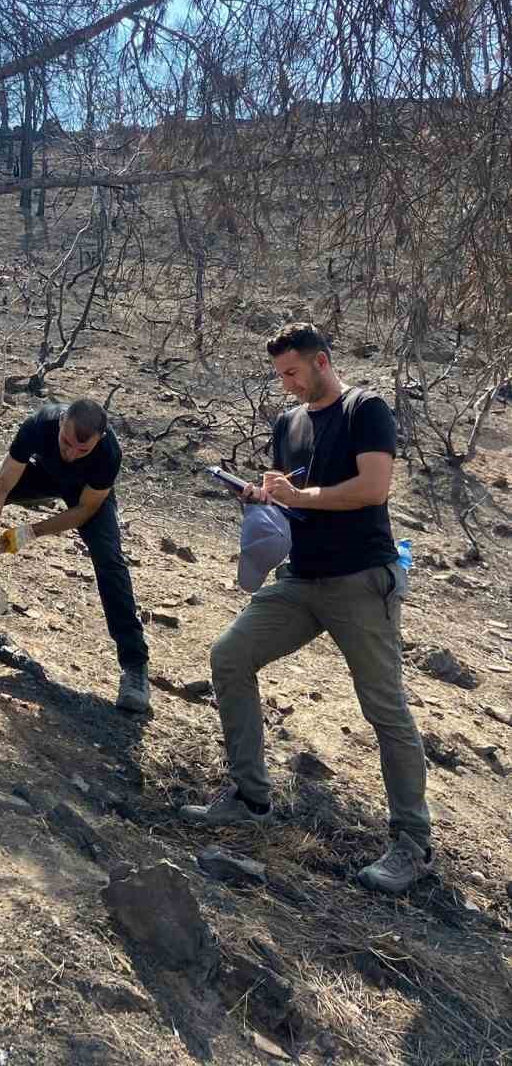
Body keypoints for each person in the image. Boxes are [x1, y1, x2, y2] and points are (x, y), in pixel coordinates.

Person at [183, 323, 431, 894]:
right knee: (230, 655)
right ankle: (249, 797)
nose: (287, 384)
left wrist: (301, 496)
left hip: (359, 581)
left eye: (293, 372)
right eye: (280, 375)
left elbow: (373, 488)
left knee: (384, 708)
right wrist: (264, 496)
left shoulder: (365, 409)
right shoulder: (288, 423)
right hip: (300, 578)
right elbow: (292, 499)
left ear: (321, 361)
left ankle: (412, 844)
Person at [0, 399, 151, 712]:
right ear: (61, 422)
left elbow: (84, 510)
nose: (71, 453)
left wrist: (30, 532)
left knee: (109, 560)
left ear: (99, 440)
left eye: (82, 449)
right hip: (43, 473)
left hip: (84, 493)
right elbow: (2, 485)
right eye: (66, 442)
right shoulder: (38, 425)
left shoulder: (108, 454)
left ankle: (134, 666)